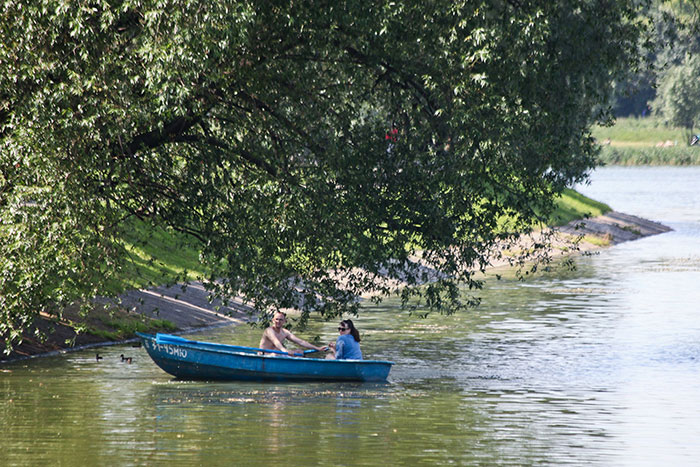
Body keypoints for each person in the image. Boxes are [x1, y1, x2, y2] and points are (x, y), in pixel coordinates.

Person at [259, 311, 327, 356]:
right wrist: (285, 351)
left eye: (281, 320)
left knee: (300, 352)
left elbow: (300, 342)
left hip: (278, 354)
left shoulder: (285, 332)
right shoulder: (269, 330)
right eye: (276, 319)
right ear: (273, 320)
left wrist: (318, 348)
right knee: (275, 354)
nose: (278, 321)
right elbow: (276, 342)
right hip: (264, 355)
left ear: (284, 321)